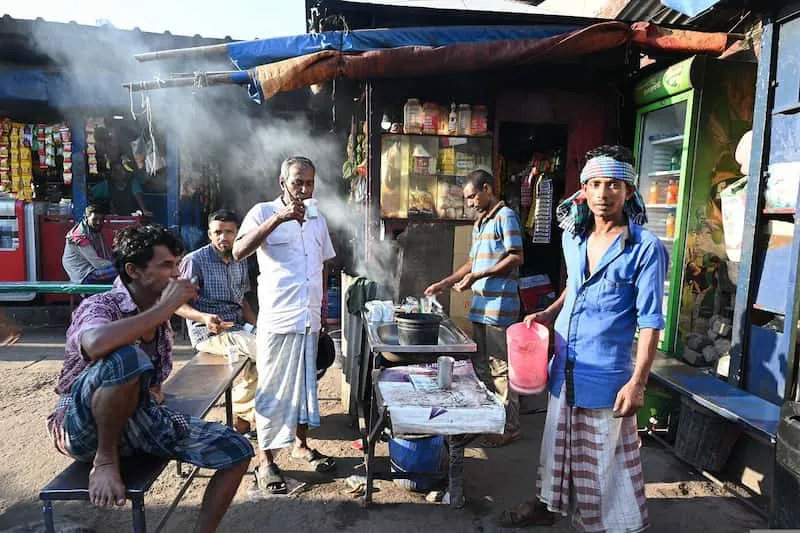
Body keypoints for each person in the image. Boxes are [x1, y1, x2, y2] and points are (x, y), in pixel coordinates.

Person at [499, 145, 667, 531]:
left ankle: (615, 525)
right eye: (595, 184)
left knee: (607, 463)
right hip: (565, 370)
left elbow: (652, 321)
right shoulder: (573, 238)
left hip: (607, 377)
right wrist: (548, 312)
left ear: (628, 191)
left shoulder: (644, 249)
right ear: (584, 190)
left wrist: (638, 383)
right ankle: (548, 505)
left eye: (614, 184)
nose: (604, 193)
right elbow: (575, 288)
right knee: (557, 448)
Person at [46, 225, 252, 532]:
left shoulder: (157, 317)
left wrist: (149, 390)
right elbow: (95, 344)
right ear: (133, 270)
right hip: (82, 427)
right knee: (127, 358)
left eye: (178, 266)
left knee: (238, 451)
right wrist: (167, 307)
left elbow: (152, 383)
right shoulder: (102, 305)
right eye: (167, 266)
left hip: (136, 418)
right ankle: (105, 461)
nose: (178, 276)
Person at [233, 156, 337, 494]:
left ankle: (300, 445)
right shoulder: (262, 212)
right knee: (273, 390)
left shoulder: (318, 217)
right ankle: (266, 461)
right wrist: (279, 219)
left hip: (309, 319)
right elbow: (238, 251)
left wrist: (321, 310)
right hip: (278, 318)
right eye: (297, 183)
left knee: (306, 387)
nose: (304, 190)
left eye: (309, 183)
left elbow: (321, 264)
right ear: (283, 182)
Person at [424, 168, 524, 447]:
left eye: (472, 197)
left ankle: (510, 425)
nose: (469, 203)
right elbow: (471, 263)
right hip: (480, 306)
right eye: (467, 199)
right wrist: (445, 282)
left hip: (500, 307)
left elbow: (516, 257)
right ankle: (491, 421)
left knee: (501, 367)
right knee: (481, 366)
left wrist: (478, 276)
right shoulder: (481, 223)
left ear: (488, 189)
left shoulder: (506, 217)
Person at [177, 209, 259, 437]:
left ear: (238, 233)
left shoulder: (241, 258)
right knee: (267, 354)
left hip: (239, 328)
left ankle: (241, 419)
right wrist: (204, 317)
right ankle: (249, 419)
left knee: (270, 352)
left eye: (229, 232)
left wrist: (260, 329)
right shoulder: (195, 261)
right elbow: (176, 305)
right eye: (218, 233)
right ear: (209, 235)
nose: (223, 237)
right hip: (210, 333)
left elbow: (243, 302)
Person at [62, 204, 118, 284]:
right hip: (84, 276)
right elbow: (98, 264)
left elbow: (107, 255)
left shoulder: (94, 231)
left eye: (101, 219)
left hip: (91, 271)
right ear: (86, 218)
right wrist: (119, 264)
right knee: (124, 271)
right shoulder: (79, 236)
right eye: (95, 219)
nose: (98, 222)